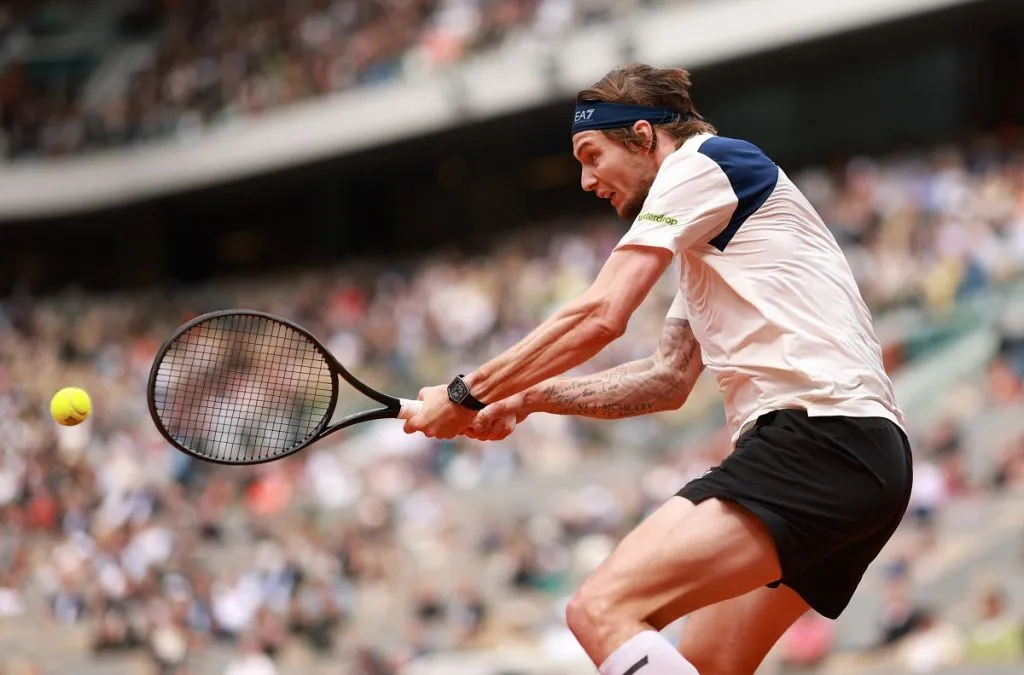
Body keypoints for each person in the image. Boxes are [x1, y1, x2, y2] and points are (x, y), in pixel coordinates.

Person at [403, 63, 913, 675]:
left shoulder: (704, 166)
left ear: (644, 137)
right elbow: (669, 377)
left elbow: (600, 314)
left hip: (820, 441)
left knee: (599, 610)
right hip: (868, 457)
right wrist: (528, 398)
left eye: (592, 157)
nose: (588, 182)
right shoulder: (713, 229)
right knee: (705, 665)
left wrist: (468, 392)